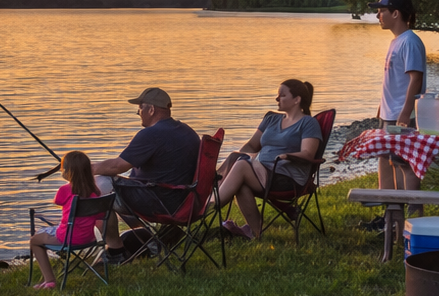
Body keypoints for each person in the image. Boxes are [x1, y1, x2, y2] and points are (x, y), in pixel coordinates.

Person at [90, 87, 200, 264]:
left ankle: (116, 251)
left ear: (151, 109)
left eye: (140, 108)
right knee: (120, 187)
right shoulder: (187, 131)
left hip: (159, 202)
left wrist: (88, 169)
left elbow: (118, 166)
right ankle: (151, 239)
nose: (138, 113)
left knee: (98, 185)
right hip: (184, 200)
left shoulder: (151, 134)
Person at [215, 80, 322, 241]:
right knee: (237, 165)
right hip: (261, 172)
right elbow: (252, 145)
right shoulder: (271, 119)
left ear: (297, 99)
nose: (277, 99)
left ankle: (209, 205)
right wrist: (239, 155)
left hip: (286, 177)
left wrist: (286, 156)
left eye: (282, 95)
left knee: (242, 166)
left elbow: (308, 153)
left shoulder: (308, 123)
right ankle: (257, 233)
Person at [372, 0, 426, 195]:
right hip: (389, 113)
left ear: (396, 14)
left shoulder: (409, 41)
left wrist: (406, 112)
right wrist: (381, 107)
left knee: (404, 164)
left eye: (382, 11)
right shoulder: (396, 41)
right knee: (385, 159)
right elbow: (394, 80)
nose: (378, 16)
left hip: (400, 115)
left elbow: (416, 79)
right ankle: (388, 212)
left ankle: (411, 214)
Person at [28, 151, 104, 290]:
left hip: (67, 238)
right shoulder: (96, 192)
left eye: (63, 168)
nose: (61, 171)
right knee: (53, 229)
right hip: (88, 238)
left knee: (35, 240)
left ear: (69, 172)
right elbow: (100, 216)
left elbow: (58, 201)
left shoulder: (64, 190)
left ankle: (50, 280)